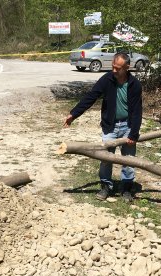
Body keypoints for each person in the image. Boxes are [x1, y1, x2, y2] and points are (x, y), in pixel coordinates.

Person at [64, 52, 143, 202]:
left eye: (118, 68)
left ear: (127, 67)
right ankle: (106, 186)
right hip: (110, 126)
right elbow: (91, 97)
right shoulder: (107, 79)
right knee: (106, 157)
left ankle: (126, 188)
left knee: (128, 159)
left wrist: (134, 133)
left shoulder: (135, 85)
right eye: (113, 66)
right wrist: (73, 114)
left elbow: (137, 110)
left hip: (128, 125)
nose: (114, 70)